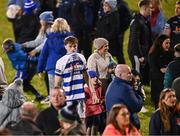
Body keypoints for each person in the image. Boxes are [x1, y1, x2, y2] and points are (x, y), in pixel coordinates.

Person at [37, 17, 72, 102]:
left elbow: (43, 55)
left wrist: (39, 69)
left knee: (53, 93)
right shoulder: (71, 40)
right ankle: (66, 112)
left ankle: (53, 112)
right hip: (67, 68)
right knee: (66, 93)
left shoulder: (50, 39)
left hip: (52, 68)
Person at [54, 36, 86, 119]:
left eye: (74, 46)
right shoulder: (61, 61)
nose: (73, 48)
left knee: (82, 119)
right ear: (65, 46)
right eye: (70, 46)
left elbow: (86, 75)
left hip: (81, 95)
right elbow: (57, 82)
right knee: (70, 119)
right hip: (68, 95)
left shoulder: (81, 57)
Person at [105, 64, 143, 129]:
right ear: (120, 75)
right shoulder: (125, 87)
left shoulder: (112, 83)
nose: (131, 75)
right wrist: (140, 94)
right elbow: (137, 107)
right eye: (129, 73)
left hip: (112, 123)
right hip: (124, 125)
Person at [128, 0, 152, 85]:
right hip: (136, 53)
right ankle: (136, 90)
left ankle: (140, 89)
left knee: (142, 73)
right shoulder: (137, 22)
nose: (151, 10)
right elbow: (134, 40)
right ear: (145, 8)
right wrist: (140, 55)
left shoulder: (145, 21)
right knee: (137, 74)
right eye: (150, 8)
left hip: (143, 52)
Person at [149, 34, 174, 109]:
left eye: (169, 43)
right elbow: (154, 69)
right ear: (160, 43)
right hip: (157, 83)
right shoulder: (153, 54)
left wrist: (166, 70)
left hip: (168, 81)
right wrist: (163, 71)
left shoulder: (171, 53)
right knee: (158, 104)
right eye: (166, 43)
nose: (168, 45)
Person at [84, 70, 105, 135]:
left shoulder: (99, 87)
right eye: (93, 77)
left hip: (100, 111)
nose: (95, 79)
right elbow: (86, 101)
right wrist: (96, 102)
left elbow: (102, 97)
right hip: (90, 112)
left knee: (97, 127)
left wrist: (102, 101)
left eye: (96, 77)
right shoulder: (86, 89)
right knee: (90, 127)